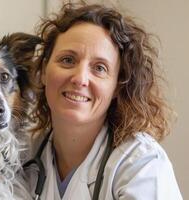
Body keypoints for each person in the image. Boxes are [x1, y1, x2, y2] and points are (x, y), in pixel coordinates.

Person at [24, 1, 183, 200]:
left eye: (99, 68)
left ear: (117, 86)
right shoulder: (23, 155)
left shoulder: (140, 164)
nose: (80, 78)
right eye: (67, 60)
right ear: (43, 71)